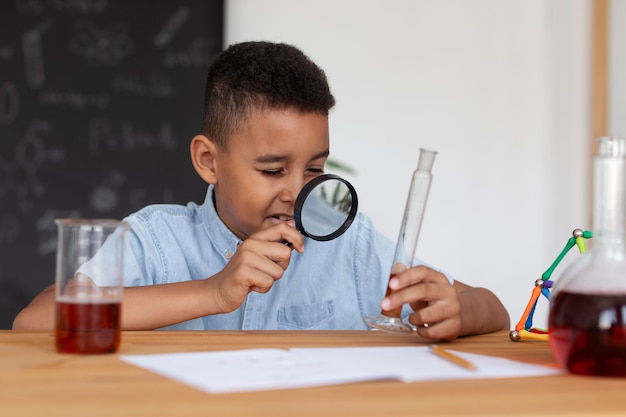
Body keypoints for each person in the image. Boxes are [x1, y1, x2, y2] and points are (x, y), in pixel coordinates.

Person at [13, 41, 509, 340]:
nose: (298, 191)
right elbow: (33, 322)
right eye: (272, 170)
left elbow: (493, 306)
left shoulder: (350, 247)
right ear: (209, 161)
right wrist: (212, 291)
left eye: (315, 168)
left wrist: (456, 311)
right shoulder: (157, 240)